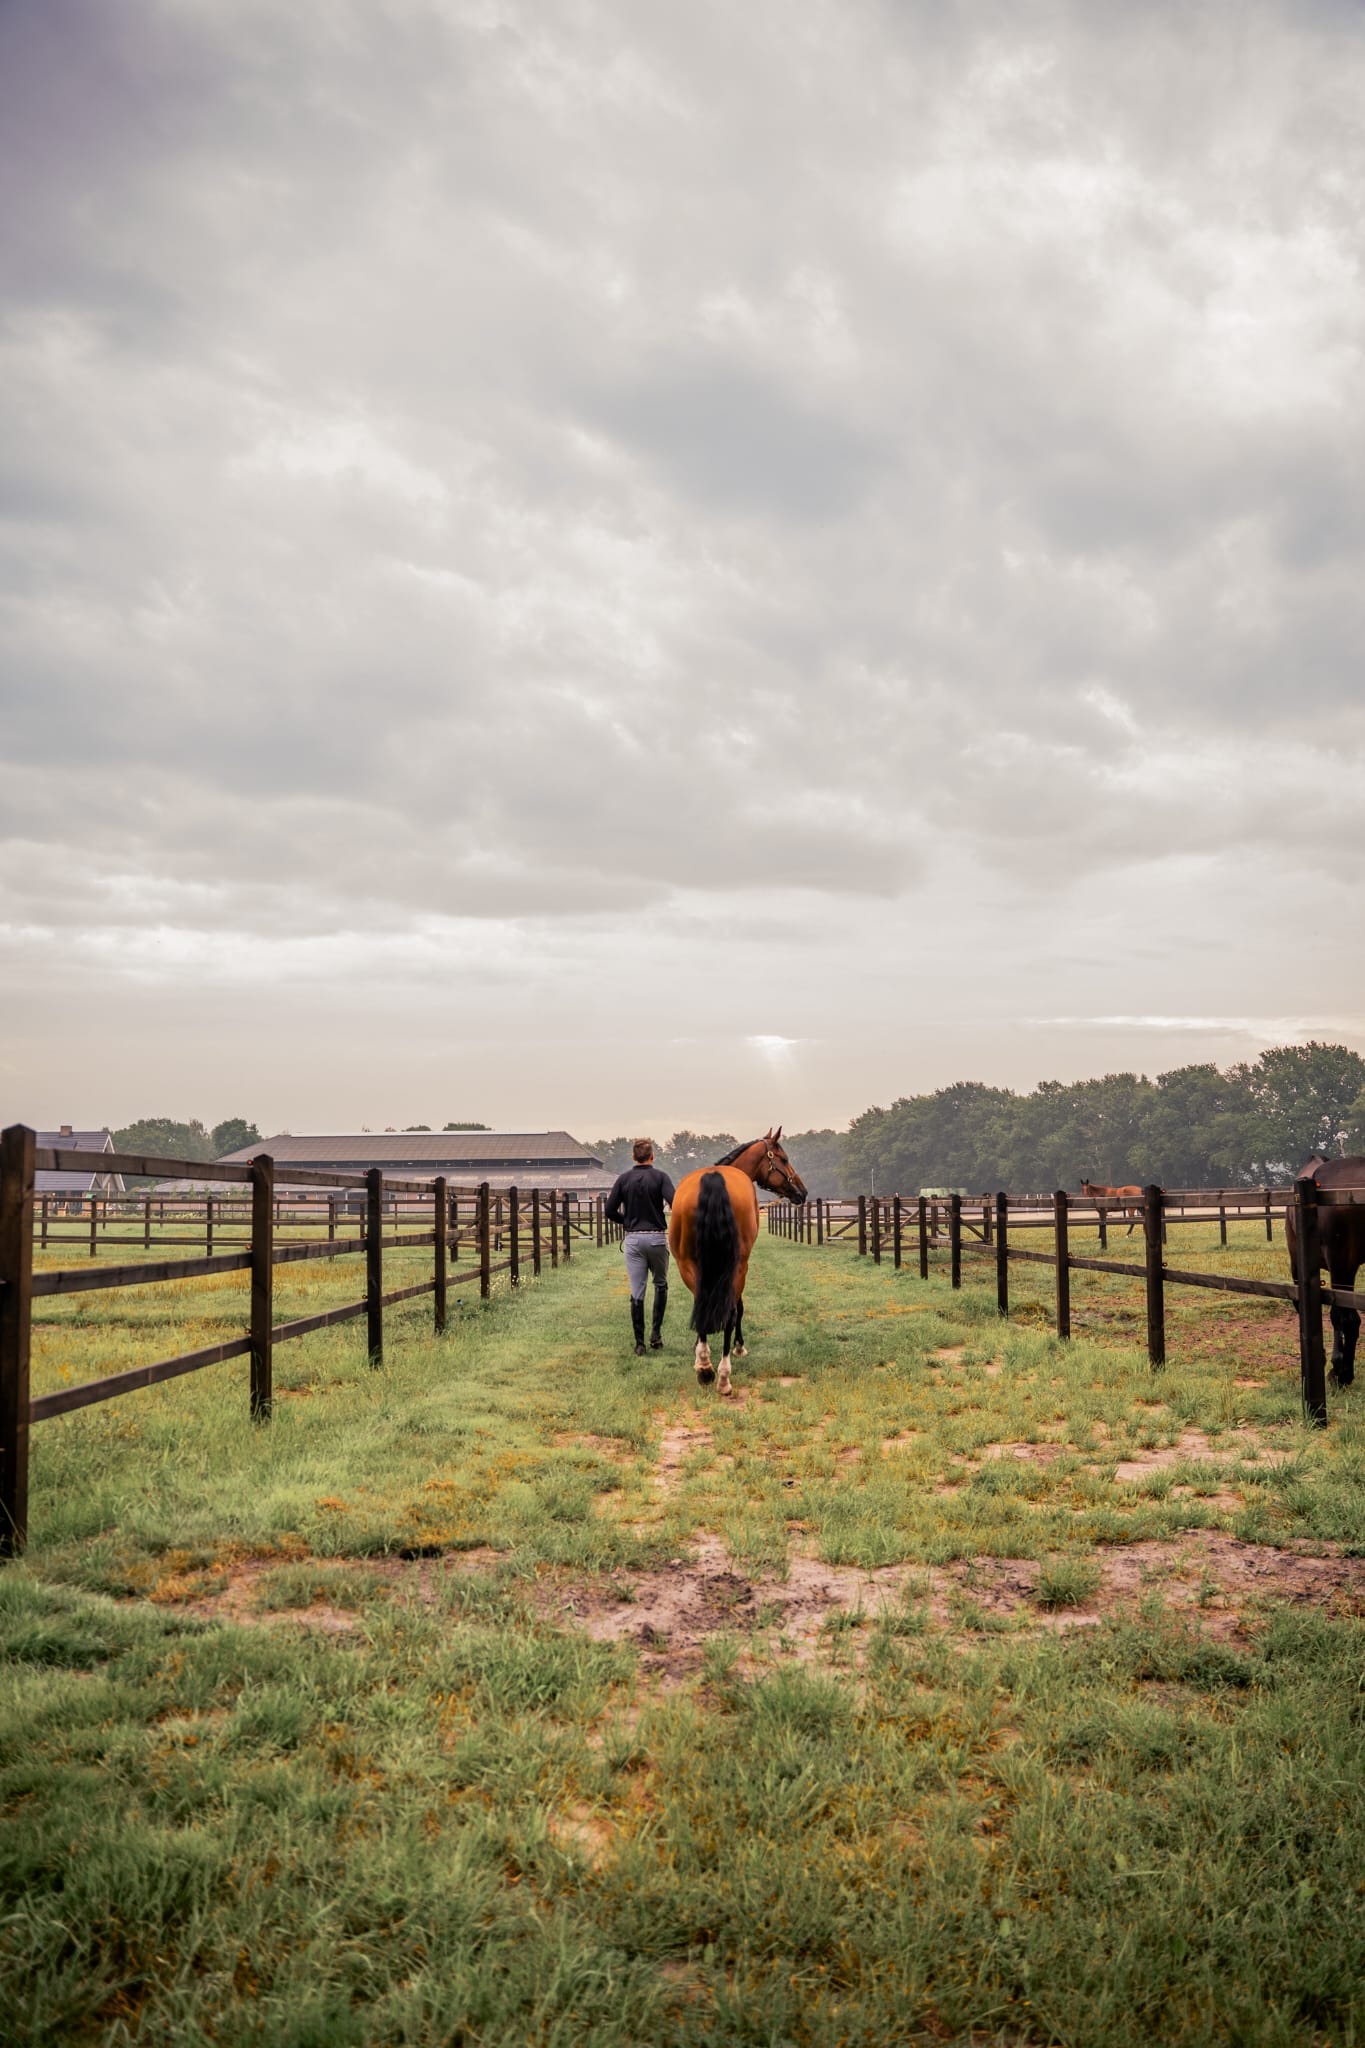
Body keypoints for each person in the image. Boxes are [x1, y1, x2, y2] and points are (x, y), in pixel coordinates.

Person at [605, 1138, 675, 1355]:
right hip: (656, 1237)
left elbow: (609, 1210)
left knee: (637, 1291)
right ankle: (655, 1334)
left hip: (634, 1239)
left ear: (633, 1157)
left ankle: (639, 1344)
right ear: (652, 1156)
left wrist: (626, 1221)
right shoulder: (661, 1177)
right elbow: (675, 1201)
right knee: (660, 1284)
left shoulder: (624, 1179)